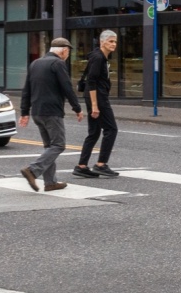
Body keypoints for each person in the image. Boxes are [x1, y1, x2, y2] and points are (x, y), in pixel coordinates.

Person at [18, 37, 84, 192]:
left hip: (37, 112)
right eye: (68, 52)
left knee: (49, 147)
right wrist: (77, 108)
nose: (67, 56)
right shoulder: (58, 63)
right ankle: (33, 170)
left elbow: (26, 89)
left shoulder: (35, 63)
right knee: (58, 145)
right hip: (52, 112)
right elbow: (67, 87)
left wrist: (24, 112)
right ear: (63, 50)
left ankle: (50, 183)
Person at [72, 30, 119, 180]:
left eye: (115, 42)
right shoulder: (98, 58)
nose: (114, 44)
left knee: (94, 132)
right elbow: (91, 82)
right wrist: (95, 105)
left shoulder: (100, 57)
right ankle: (101, 164)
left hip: (96, 96)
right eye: (111, 41)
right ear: (102, 42)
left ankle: (82, 166)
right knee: (111, 129)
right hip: (97, 98)